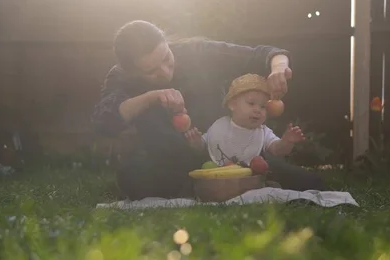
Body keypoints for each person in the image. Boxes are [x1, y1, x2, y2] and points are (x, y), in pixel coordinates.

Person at [92, 20, 325, 200]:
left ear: (166, 43)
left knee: (310, 183)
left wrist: (278, 69)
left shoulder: (196, 52)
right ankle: (203, 188)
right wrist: (150, 97)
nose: (164, 72)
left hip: (230, 155)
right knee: (132, 180)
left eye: (166, 57)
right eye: (151, 71)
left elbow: (265, 53)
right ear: (131, 71)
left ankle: (232, 185)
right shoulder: (120, 77)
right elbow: (105, 121)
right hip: (171, 162)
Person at [185, 74, 305, 172]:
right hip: (218, 177)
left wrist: (287, 141)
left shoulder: (263, 131)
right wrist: (196, 141)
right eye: (251, 103)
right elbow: (203, 145)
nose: (257, 110)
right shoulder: (219, 126)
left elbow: (277, 150)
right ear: (232, 104)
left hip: (250, 180)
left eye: (263, 106)